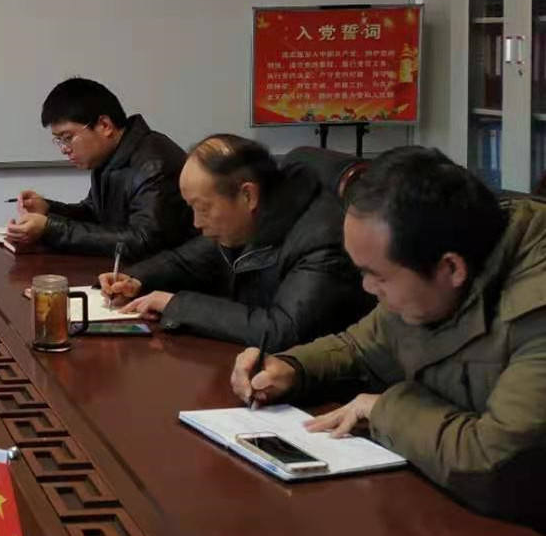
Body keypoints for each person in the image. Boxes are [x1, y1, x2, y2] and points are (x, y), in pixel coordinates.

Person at [231, 147, 545, 530]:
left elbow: (496, 466)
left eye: (377, 275)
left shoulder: (536, 307)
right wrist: (290, 368)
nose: (366, 288)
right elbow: (361, 346)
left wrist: (385, 408)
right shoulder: (433, 262)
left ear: (450, 268)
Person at [100, 133, 372, 351]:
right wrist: (136, 279)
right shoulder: (254, 215)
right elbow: (187, 261)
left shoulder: (322, 239)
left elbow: (282, 330)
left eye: (203, 208)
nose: (196, 222)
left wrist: (175, 305)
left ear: (247, 195)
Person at [5, 77, 193, 261]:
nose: (64, 149)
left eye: (68, 138)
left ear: (104, 126)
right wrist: (48, 209)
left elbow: (143, 241)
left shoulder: (155, 165)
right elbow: (94, 214)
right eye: (59, 140)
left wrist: (51, 229)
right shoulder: (110, 156)